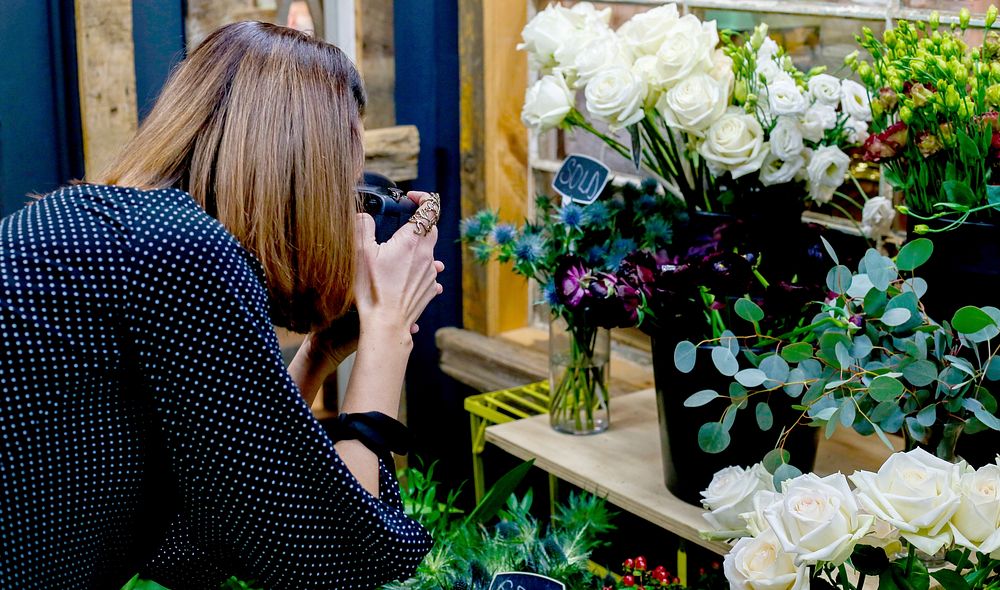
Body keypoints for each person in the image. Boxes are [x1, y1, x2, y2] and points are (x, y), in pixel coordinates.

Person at [0, 21, 441, 589]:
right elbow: (335, 565)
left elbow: (191, 538)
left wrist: (317, 357)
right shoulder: (180, 249)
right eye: (346, 184)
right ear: (303, 171)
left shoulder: (119, 229)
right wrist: (388, 329)